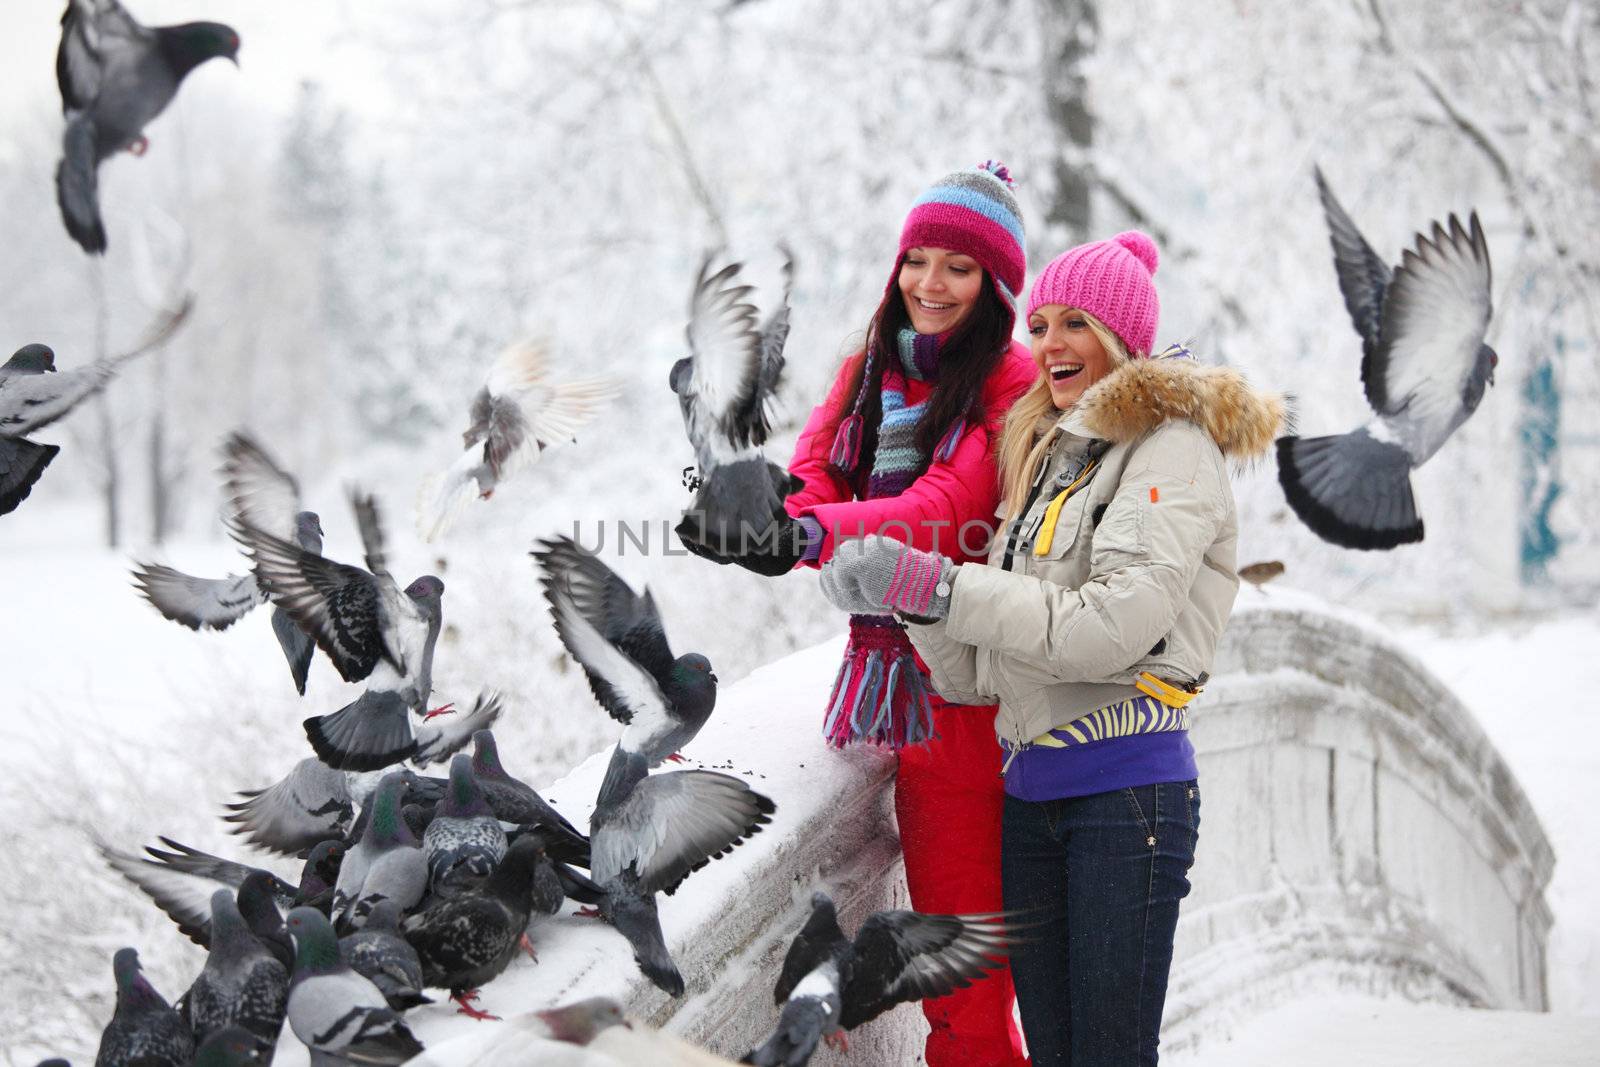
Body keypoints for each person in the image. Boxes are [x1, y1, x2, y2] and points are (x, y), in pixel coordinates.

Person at [817, 231, 1285, 1065]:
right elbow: (981, 671)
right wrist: (908, 592)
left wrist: (943, 588)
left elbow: (1110, 626)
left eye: (1075, 323)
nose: (1049, 344)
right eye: (1038, 324)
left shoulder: (1168, 447)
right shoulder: (1050, 455)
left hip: (1123, 800)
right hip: (1034, 803)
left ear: (1121, 340)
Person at [682, 162, 1035, 1067]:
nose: (929, 283)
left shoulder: (1013, 382)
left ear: (995, 285)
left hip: (985, 700)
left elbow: (944, 509)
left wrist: (804, 534)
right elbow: (818, 470)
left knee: (1001, 967)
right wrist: (764, 512)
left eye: (958, 266)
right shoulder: (867, 369)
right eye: (917, 259)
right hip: (913, 701)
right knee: (961, 975)